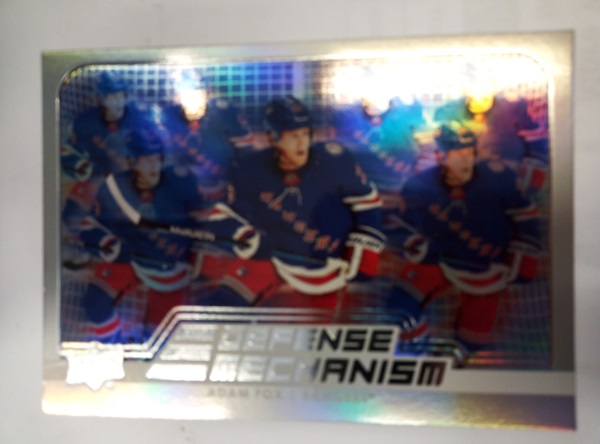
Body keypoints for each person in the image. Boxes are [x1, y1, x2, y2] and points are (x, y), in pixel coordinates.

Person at [202, 95, 386, 309]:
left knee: (319, 327)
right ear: (273, 137)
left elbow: (367, 204)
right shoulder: (252, 168)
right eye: (293, 136)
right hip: (273, 259)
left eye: (305, 134)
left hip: (329, 269)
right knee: (224, 305)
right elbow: (221, 215)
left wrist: (364, 246)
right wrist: (245, 236)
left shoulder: (334, 160)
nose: (302, 144)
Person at [385, 122, 542, 352]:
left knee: (473, 345)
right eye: (458, 154)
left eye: (469, 152)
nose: (466, 160)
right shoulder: (420, 185)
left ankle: (457, 364)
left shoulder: (497, 178)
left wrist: (524, 250)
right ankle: (418, 355)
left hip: (486, 269)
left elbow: (526, 215)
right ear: (440, 156)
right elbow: (396, 223)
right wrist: (414, 244)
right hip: (439, 259)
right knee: (400, 307)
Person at [76, 126, 207, 343]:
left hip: (169, 270)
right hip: (130, 257)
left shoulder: (181, 181)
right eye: (146, 161)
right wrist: (105, 242)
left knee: (158, 338)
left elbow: (204, 222)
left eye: (157, 159)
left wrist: (195, 255)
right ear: (131, 162)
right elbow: (90, 225)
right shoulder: (113, 188)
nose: (154, 167)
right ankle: (112, 349)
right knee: (95, 303)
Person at [159, 69, 253, 202]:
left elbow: (247, 156)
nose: (193, 101)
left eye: (198, 93)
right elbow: (165, 159)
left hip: (227, 188)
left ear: (208, 93)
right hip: (185, 190)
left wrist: (240, 185)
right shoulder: (168, 117)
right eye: (186, 95)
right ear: (176, 97)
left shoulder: (224, 112)